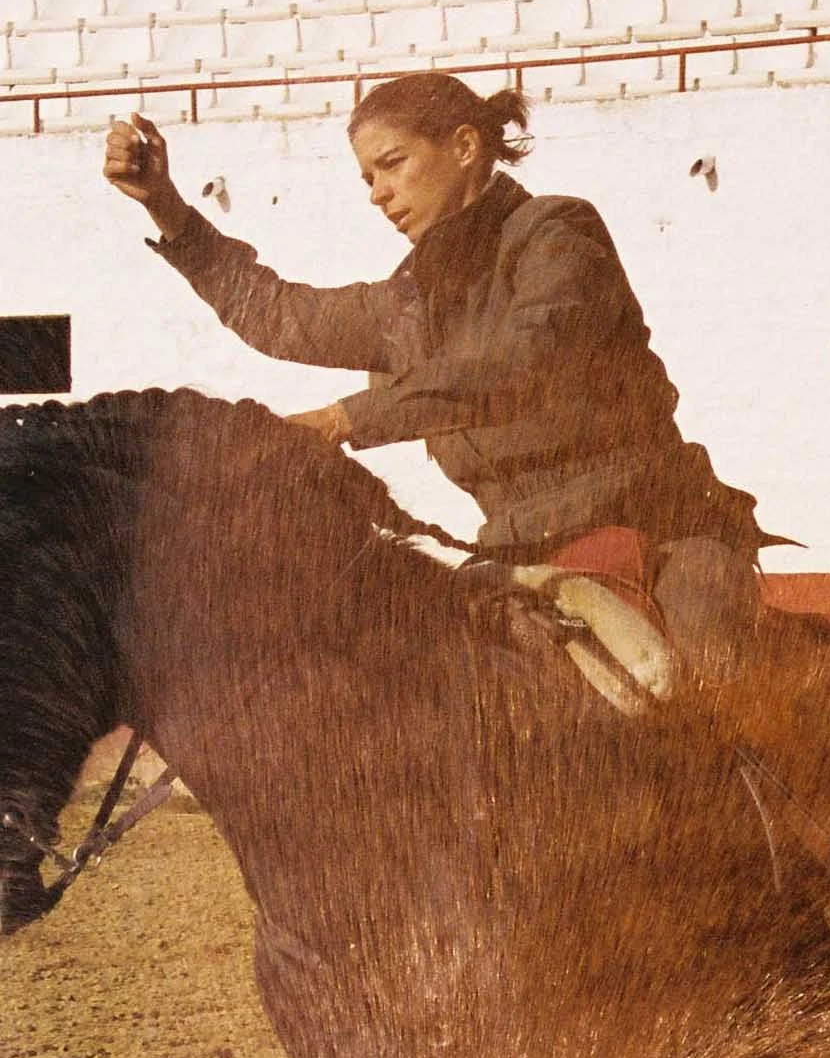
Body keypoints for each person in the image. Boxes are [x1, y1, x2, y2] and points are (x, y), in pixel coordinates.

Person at [102, 76, 768, 680]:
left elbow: (523, 361)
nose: (377, 194)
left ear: (465, 146)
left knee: (705, 685)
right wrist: (167, 207)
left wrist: (344, 419)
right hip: (518, 559)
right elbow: (278, 316)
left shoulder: (557, 232)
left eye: (392, 164)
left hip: (663, 536)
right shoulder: (410, 300)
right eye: (367, 178)